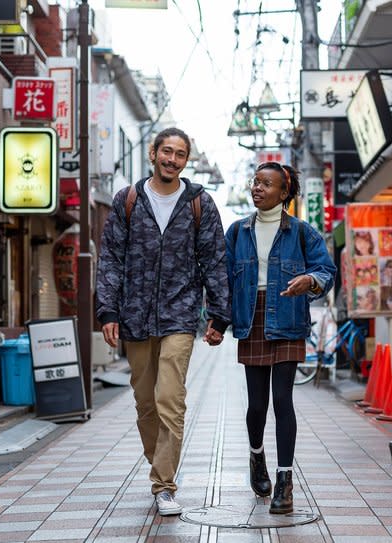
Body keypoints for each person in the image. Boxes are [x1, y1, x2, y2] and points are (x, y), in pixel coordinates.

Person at [96, 127, 230, 516]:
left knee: (169, 398)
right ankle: (160, 463)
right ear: (153, 153)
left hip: (179, 314)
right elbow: (111, 258)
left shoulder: (199, 203)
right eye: (167, 152)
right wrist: (108, 310)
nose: (172, 159)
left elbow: (214, 259)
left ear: (186, 161)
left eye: (181, 154)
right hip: (135, 316)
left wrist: (219, 316)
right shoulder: (128, 200)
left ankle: (164, 484)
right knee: (145, 403)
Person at [225, 162, 336, 514]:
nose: (257, 188)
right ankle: (257, 456)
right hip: (252, 318)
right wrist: (215, 319)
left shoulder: (303, 232)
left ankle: (285, 482)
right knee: (257, 404)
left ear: (284, 192)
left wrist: (310, 281)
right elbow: (222, 277)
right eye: (255, 182)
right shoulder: (238, 231)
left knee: (282, 400)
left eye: (266, 184)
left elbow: (326, 270)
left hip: (287, 316)